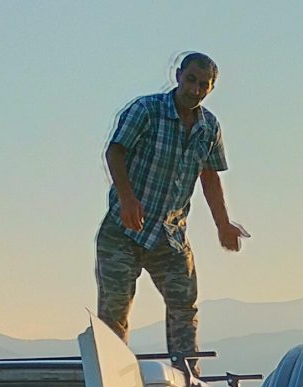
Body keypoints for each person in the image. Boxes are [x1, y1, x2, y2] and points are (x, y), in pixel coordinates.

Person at [98, 51, 244, 361]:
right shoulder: (147, 110)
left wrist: (223, 224)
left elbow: (209, 175)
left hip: (170, 235)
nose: (194, 89)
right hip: (124, 230)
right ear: (178, 75)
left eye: (203, 84)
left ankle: (187, 374)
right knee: (115, 310)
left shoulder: (209, 128)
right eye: (191, 80)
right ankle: (111, 370)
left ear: (211, 88)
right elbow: (115, 152)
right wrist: (127, 198)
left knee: (183, 305)